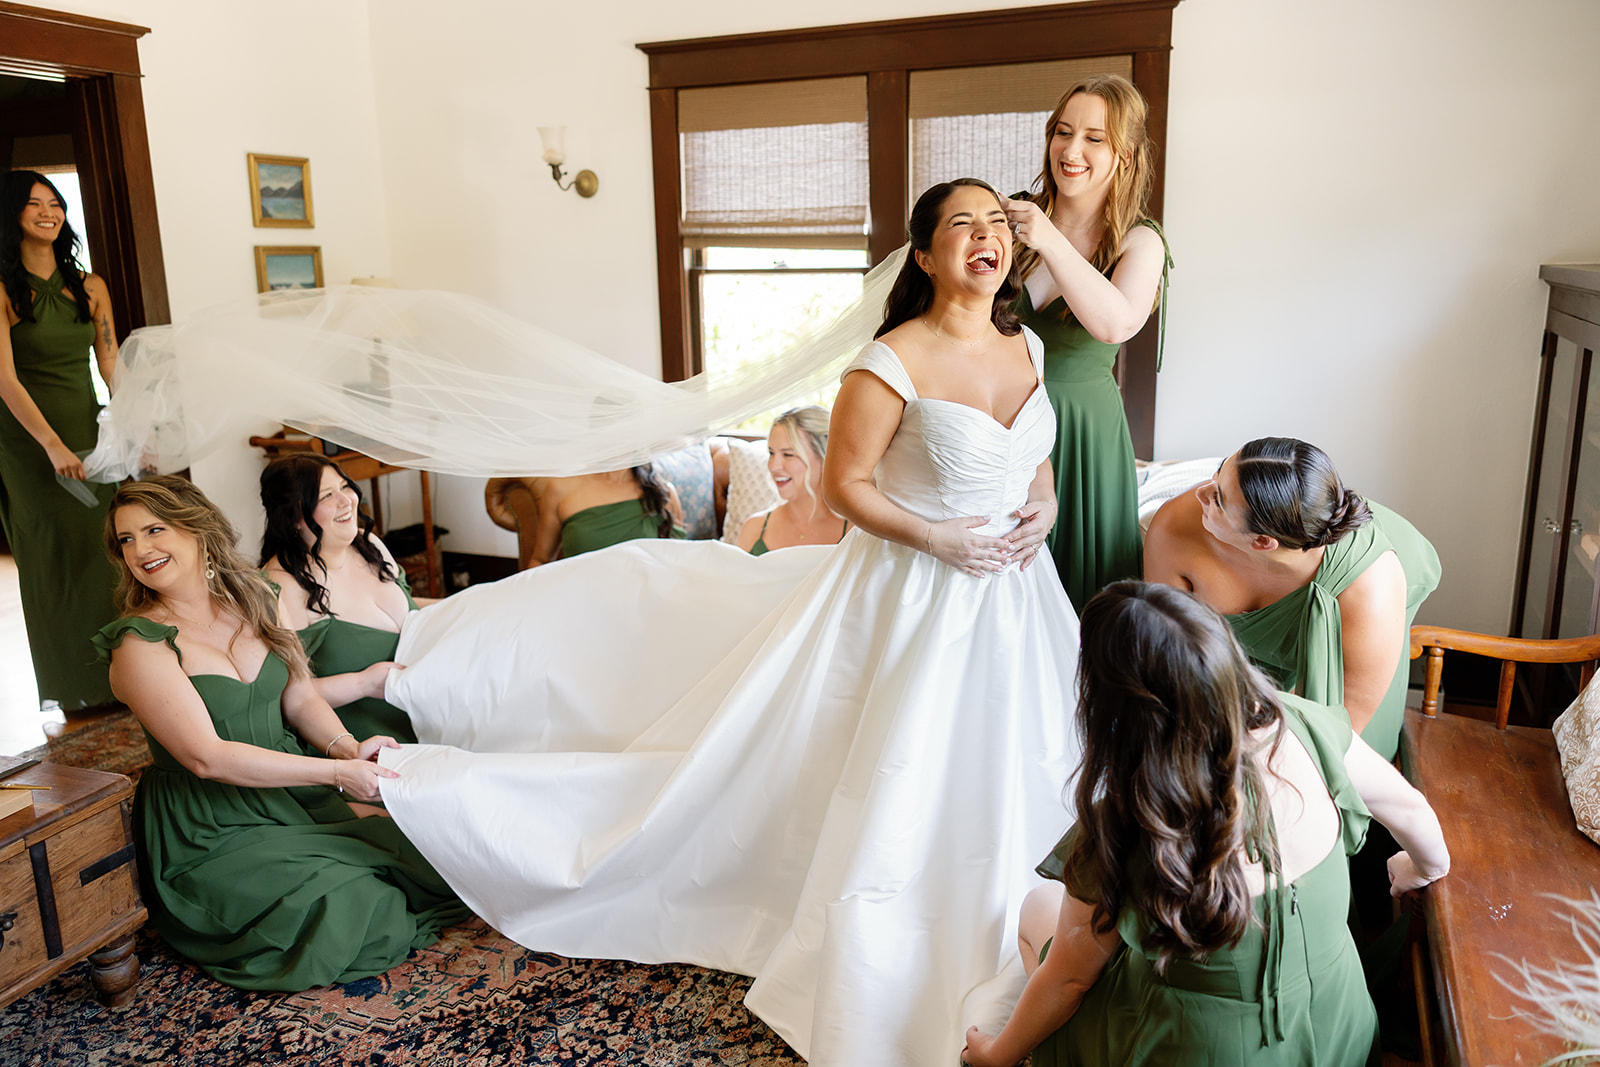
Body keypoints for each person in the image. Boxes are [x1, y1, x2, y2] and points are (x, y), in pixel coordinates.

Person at [373, 179, 1079, 1067]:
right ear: (927, 256)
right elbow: (846, 489)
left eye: (997, 222)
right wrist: (939, 538)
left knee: (1016, 747)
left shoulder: (1027, 345)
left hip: (1018, 593)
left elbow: (1035, 459)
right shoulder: (890, 362)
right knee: (902, 762)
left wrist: (1046, 508)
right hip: (918, 592)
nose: (986, 236)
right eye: (962, 224)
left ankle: (1025, 911)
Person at [960, 582, 1450, 1067]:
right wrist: (1419, 869)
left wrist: (995, 1056)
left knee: (1037, 909)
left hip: (1206, 1050)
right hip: (1340, 1030)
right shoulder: (1302, 724)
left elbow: (1069, 981)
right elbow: (1412, 812)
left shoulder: (1128, 818)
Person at [92, 475, 469, 990]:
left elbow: (300, 697)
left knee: (434, 852)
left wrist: (348, 747)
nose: (141, 550)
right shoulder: (139, 643)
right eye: (127, 540)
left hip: (290, 789)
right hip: (210, 822)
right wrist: (335, 773)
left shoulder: (259, 598)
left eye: (155, 530)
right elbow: (207, 757)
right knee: (356, 905)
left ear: (197, 528)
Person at [1143, 437, 1441, 762]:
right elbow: (1167, 650)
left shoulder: (1371, 590)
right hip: (1295, 539)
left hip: (1361, 603)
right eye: (1218, 473)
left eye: (1217, 499)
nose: (1200, 492)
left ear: (1261, 542)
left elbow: (1342, 732)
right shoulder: (1175, 527)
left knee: (1346, 757)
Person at [1005, 73, 1171, 609]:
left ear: (1125, 155)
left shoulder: (1140, 241)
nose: (1071, 150)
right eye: (1063, 132)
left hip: (1084, 433)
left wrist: (1049, 238)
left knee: (1084, 603)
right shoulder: (1011, 220)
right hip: (1003, 418)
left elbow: (1115, 324)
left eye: (1094, 138)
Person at [0, 170, 122, 710]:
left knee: (104, 551)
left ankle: (124, 677)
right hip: (27, 443)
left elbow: (109, 360)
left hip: (88, 431)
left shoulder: (90, 286)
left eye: (56, 203)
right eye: (35, 203)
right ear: (12, 214)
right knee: (52, 559)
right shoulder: (2, 290)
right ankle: (73, 689)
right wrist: (50, 445)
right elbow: (5, 380)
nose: (49, 212)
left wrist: (133, 423)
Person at [260, 453, 427, 745]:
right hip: (361, 741)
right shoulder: (281, 586)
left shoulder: (368, 544)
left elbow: (411, 610)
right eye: (326, 495)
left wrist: (474, 605)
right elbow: (286, 698)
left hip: (427, 709)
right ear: (293, 517)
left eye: (345, 486)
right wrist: (363, 683)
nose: (346, 500)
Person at [734, 405, 848, 555]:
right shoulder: (753, 529)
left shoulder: (854, 531)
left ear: (825, 456)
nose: (773, 466)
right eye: (771, 453)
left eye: (788, 454)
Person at [519, 464, 685, 565]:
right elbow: (540, 560)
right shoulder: (560, 489)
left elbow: (678, 561)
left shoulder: (663, 493)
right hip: (583, 599)